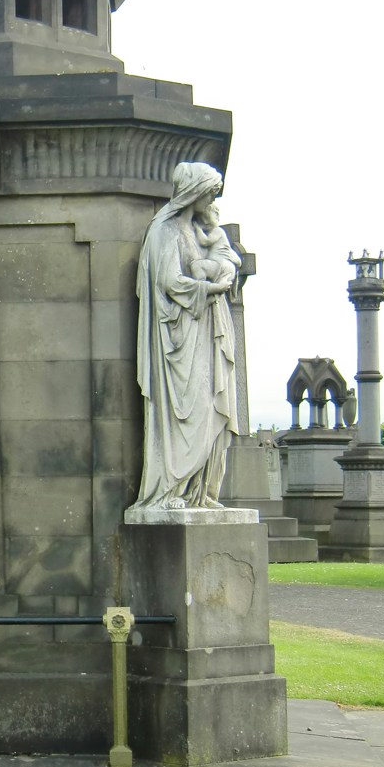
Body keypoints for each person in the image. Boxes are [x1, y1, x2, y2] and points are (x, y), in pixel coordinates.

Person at [131, 162, 242, 511]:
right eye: (210, 190)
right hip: (180, 338)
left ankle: (201, 492)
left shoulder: (198, 228)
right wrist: (210, 288)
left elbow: (225, 259)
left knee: (210, 408)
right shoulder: (166, 229)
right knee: (186, 413)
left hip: (206, 329)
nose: (214, 197)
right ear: (194, 190)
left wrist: (219, 281)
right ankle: (170, 490)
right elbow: (169, 281)